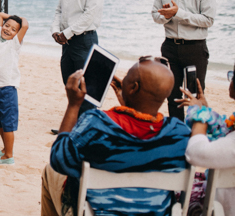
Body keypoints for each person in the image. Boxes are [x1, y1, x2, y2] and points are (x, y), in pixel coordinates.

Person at [41, 57, 191, 216]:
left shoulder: (96, 125)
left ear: (133, 87)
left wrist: (73, 105)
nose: (123, 79)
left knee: (50, 171)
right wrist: (129, 105)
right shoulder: (180, 135)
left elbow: (59, 158)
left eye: (126, 76)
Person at [152, 0, 217, 120]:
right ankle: (177, 135)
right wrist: (167, 15)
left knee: (194, 96)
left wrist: (178, 13)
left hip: (195, 49)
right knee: (172, 96)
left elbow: (208, 20)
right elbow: (155, 16)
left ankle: (195, 137)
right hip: (169, 48)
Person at [51, 0, 105, 120]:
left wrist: (68, 32)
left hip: (85, 41)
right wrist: (55, 31)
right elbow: (59, 10)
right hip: (67, 43)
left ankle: (87, 127)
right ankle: (72, 124)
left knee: (87, 88)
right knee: (70, 85)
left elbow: (90, 14)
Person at [177, 72, 235, 214]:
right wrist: (206, 109)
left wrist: (200, 115)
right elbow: (226, 136)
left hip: (221, 208)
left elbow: (196, 153)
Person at [0, 12, 28, 165]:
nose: (8, 30)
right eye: (7, 26)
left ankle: (9, 156)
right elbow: (1, 15)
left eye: (13, 29)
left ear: (17, 33)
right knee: (0, 123)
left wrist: (18, 20)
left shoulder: (14, 44)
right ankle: (4, 149)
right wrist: (8, 18)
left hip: (6, 90)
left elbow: (26, 25)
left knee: (7, 125)